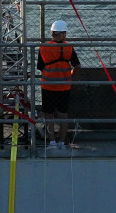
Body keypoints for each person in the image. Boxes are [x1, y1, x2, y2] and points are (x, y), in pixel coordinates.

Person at [38, 19, 81, 148]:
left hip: (48, 86)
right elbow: (77, 66)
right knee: (63, 114)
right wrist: (70, 74)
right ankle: (62, 142)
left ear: (52, 33)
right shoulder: (69, 47)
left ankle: (51, 142)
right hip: (64, 86)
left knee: (49, 115)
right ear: (61, 34)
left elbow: (40, 67)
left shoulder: (43, 48)